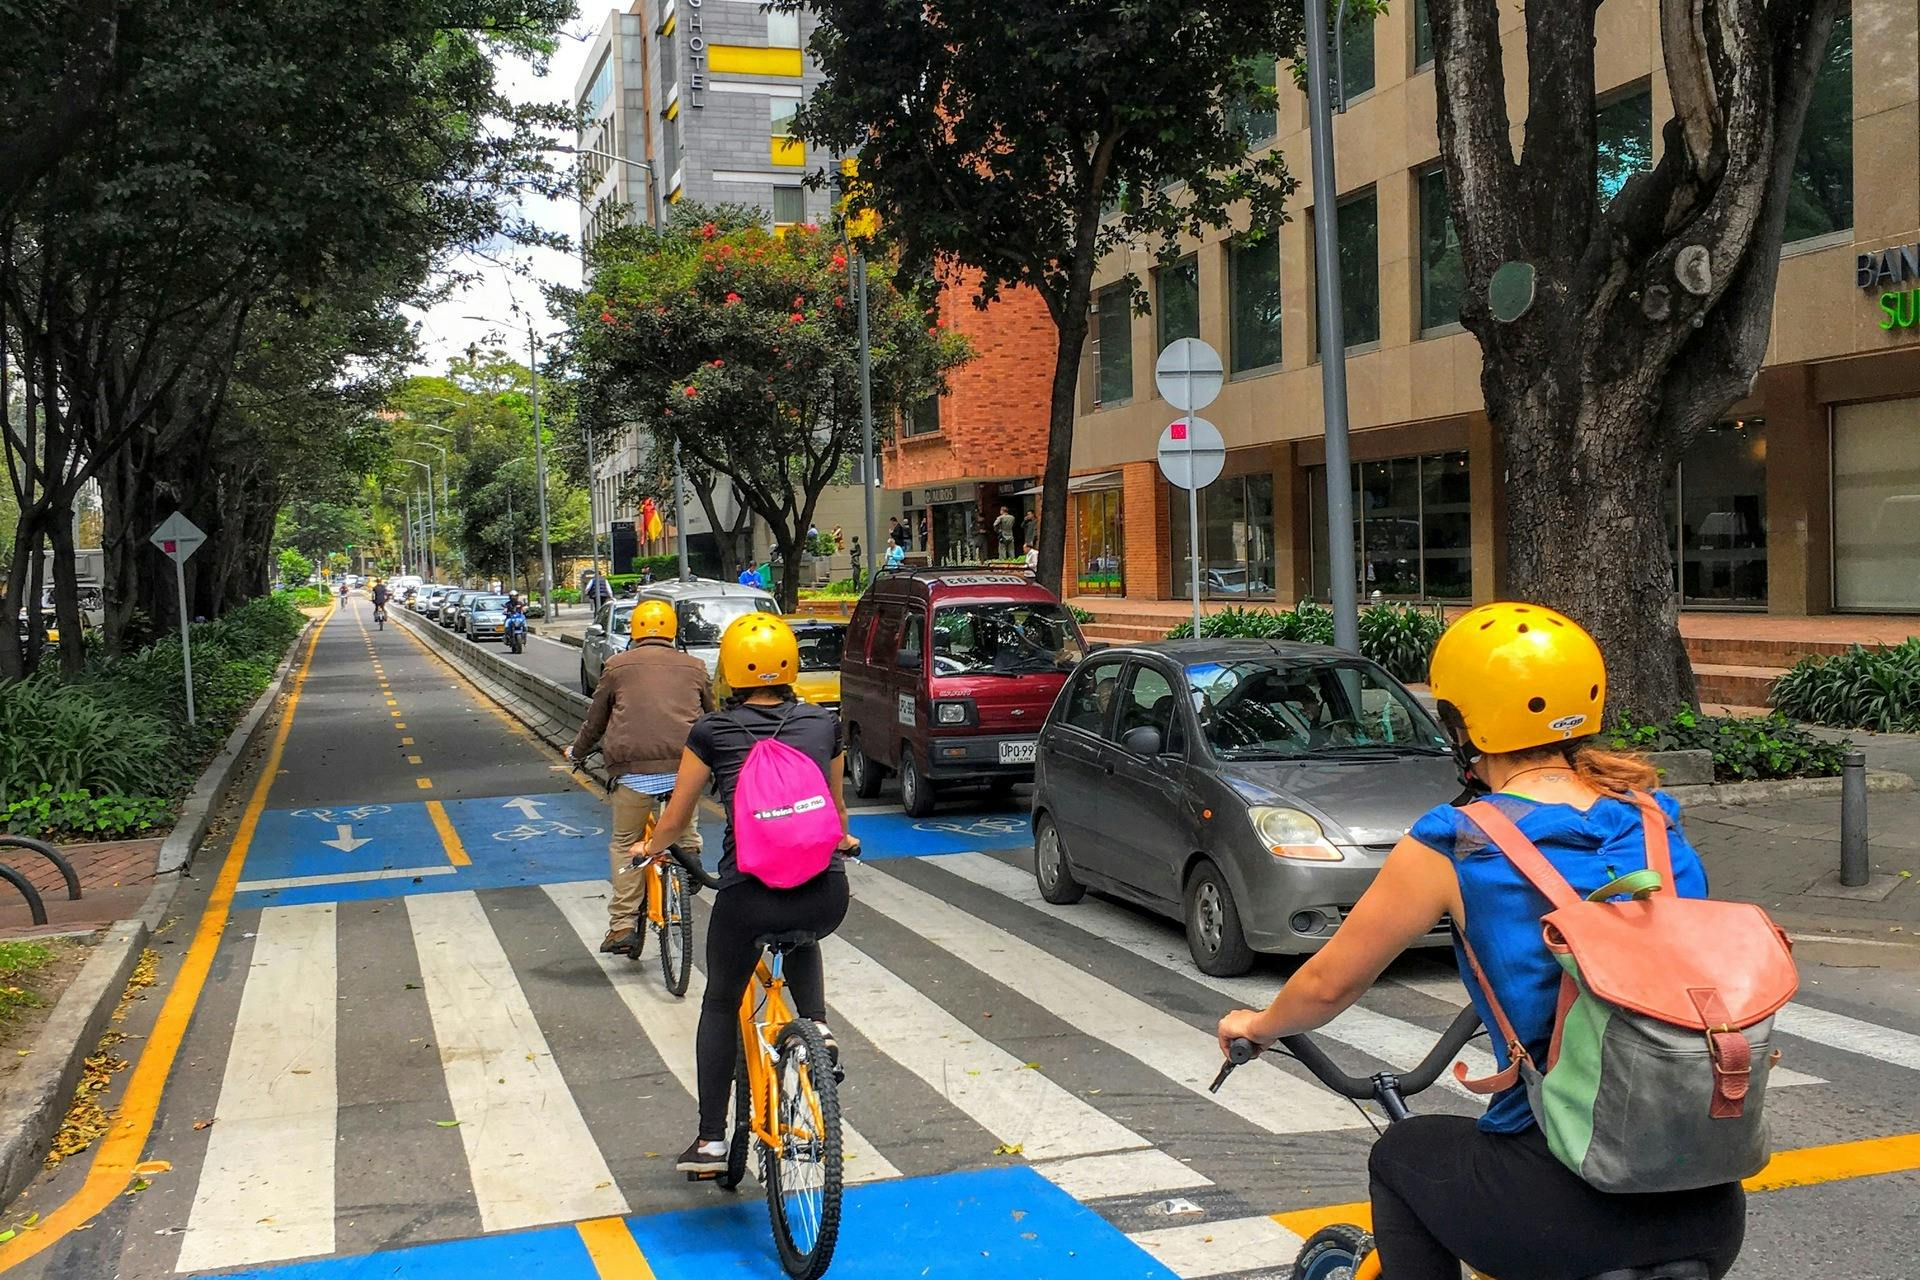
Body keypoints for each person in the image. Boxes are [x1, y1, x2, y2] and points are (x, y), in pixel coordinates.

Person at [1215, 603, 1745, 1280]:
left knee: (1402, 1153)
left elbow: (1328, 984)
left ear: (1460, 723)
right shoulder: (1654, 822)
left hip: (1561, 1208)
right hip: (1707, 1199)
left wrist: (1257, 1026)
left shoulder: (1458, 841)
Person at [633, 614, 860, 1175]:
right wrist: (845, 840)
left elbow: (676, 817)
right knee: (802, 933)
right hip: (826, 893)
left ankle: (711, 1141)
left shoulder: (712, 732)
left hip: (749, 895)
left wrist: (649, 849)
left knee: (719, 1003)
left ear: (730, 669)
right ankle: (817, 1026)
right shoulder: (822, 723)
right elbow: (835, 809)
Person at [566, 600, 711, 954]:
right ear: (673, 631)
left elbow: (596, 722)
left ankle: (623, 926)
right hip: (683, 769)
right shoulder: (695, 667)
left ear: (635, 631)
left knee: (624, 842)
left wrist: (577, 752)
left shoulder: (616, 666)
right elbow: (712, 717)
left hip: (633, 773)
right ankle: (689, 855)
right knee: (684, 814)